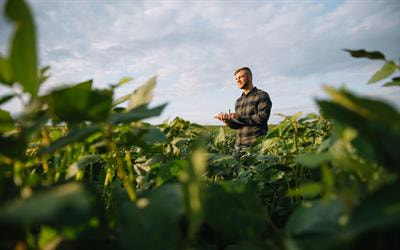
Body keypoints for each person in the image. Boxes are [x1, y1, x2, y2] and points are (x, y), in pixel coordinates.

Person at [214, 67, 272, 160]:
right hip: (239, 146)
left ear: (249, 77)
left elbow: (263, 117)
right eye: (236, 79)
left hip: (255, 147)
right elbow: (237, 125)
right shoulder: (238, 101)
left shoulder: (261, 95)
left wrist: (240, 117)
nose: (238, 80)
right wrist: (228, 121)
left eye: (241, 77)